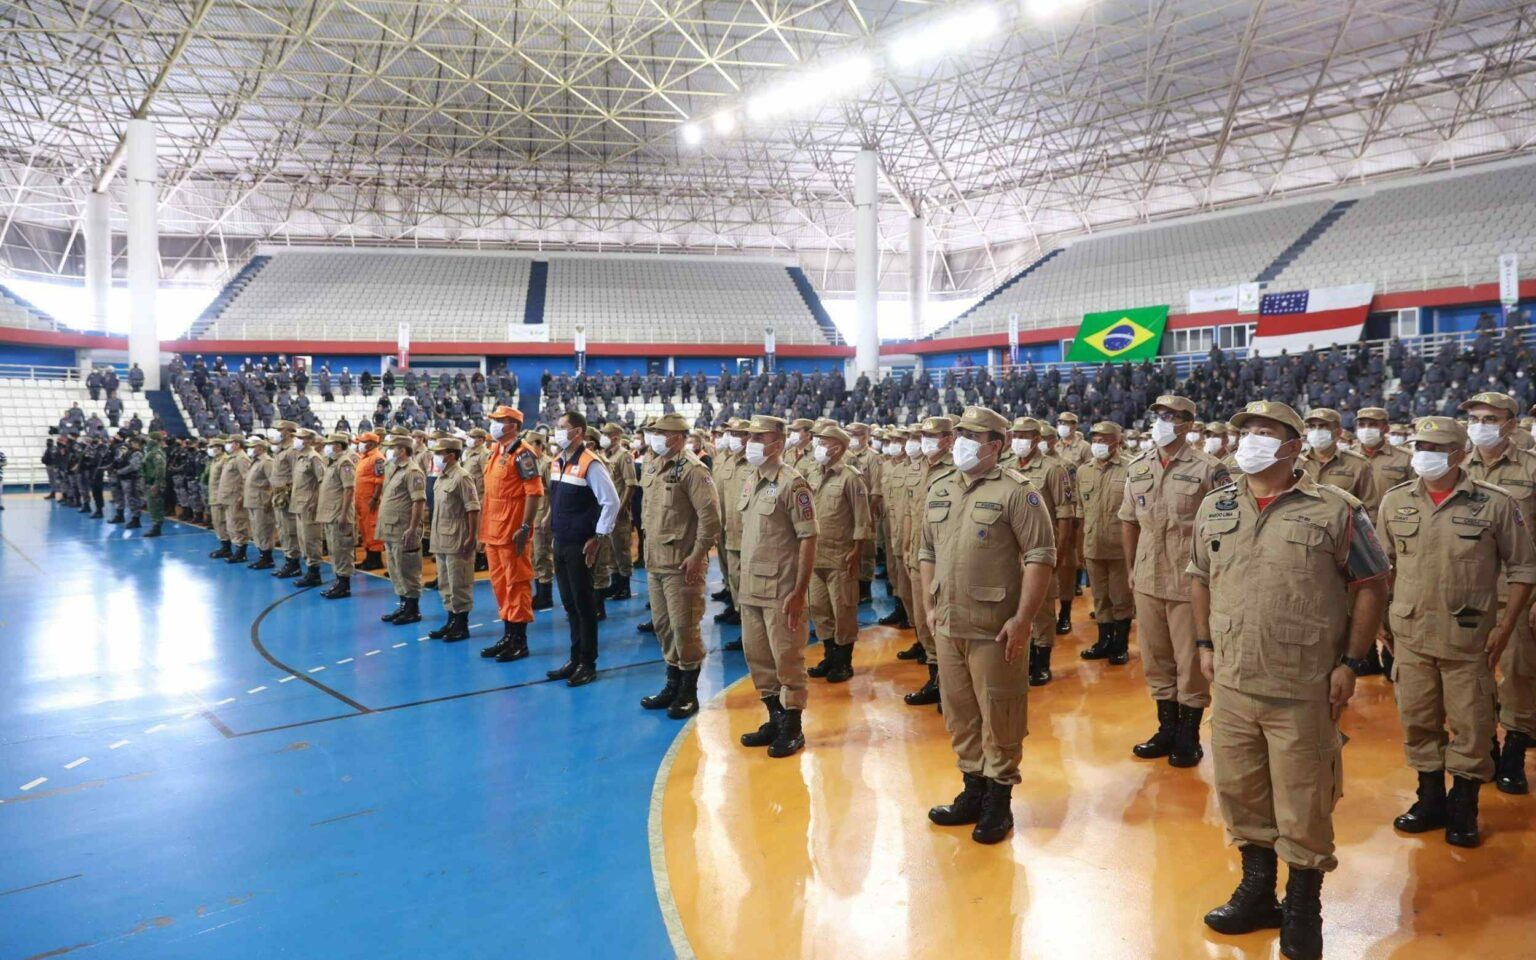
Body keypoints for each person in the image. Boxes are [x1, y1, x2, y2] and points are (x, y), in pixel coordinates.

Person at [1191, 400, 1388, 960]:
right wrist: (1205, 644)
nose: (1250, 439)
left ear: (1293, 445)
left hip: (1304, 683)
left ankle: (1303, 907)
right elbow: (1199, 576)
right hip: (1232, 679)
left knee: (1303, 801)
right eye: (1244, 431)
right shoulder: (1216, 506)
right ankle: (1257, 892)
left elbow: (1372, 581)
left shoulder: (1336, 508)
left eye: (1264, 432)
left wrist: (1352, 661)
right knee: (1241, 791)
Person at [1379, 416, 1536, 848]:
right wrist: (1382, 619)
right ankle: (1430, 799)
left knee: (1471, 722)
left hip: (1467, 635)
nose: (1423, 454)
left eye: (1435, 447)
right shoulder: (1395, 502)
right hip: (1410, 634)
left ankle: (1464, 806)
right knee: (1417, 719)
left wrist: (1505, 626)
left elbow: (1524, 568)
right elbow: (1380, 567)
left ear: (1459, 453)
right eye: (1419, 445)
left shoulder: (1495, 503)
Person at [921, 405, 1056, 845]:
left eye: (970, 436)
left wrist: (1023, 620)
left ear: (994, 446)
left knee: (1000, 714)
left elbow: (1041, 556)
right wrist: (928, 602)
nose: (959, 441)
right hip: (948, 624)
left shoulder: (1019, 492)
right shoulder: (941, 488)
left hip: (994, 628)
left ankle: (999, 802)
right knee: (960, 713)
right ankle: (972, 791)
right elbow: (926, 550)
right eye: (957, 433)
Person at [1119, 394, 1228, 768]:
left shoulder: (1210, 468)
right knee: (1156, 658)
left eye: (1171, 416)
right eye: (1159, 415)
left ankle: (1189, 734)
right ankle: (1166, 727)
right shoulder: (1139, 467)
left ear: (1188, 424)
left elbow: (1222, 528)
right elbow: (1129, 519)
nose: (1162, 421)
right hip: (1148, 578)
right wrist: (1131, 566)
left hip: (1189, 580)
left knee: (1190, 662)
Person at [1458, 391, 1536, 793]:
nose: (1480, 425)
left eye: (1490, 418)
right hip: (1464, 591)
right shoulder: (1456, 465)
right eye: (1474, 417)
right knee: (1470, 674)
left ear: (1510, 423)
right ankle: (1483, 745)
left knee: (1520, 673)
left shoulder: (1531, 468)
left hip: (1517, 590)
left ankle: (1515, 749)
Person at [735, 415, 818, 758]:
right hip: (751, 587)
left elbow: (809, 537)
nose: (752, 442)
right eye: (750, 436)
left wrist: (799, 592)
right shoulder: (751, 479)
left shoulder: (793, 484)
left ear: (779, 443)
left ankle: (793, 727)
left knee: (787, 660)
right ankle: (775, 716)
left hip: (782, 591)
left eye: (760, 437)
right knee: (758, 657)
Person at [637, 412, 721, 718]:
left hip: (682, 564)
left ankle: (689, 691)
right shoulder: (655, 464)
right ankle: (672, 684)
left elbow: (710, 520)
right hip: (656, 561)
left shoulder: (694, 471)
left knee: (684, 627)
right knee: (663, 626)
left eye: (660, 433)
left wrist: (698, 556)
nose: (653, 437)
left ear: (676, 437)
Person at [544, 411, 621, 687]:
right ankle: (575, 657)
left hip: (580, 543)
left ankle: (588, 662)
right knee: (569, 603)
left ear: (577, 432)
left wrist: (598, 537)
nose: (557, 431)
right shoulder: (557, 461)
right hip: (561, 540)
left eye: (562, 427)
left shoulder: (591, 463)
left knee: (584, 603)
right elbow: (558, 498)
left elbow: (611, 502)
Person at [1001, 417, 1073, 686]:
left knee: (1042, 609)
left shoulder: (1054, 469)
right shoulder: (1005, 467)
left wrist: (1060, 554)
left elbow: (1065, 516)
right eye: (1015, 433)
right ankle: (1020, 658)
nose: (1018, 439)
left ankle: (1041, 662)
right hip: (1010, 550)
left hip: (1039, 548)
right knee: (1013, 604)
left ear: (1036, 437)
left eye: (1025, 434)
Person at [804, 423, 874, 684]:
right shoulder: (812, 473)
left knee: (842, 609)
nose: (818, 446)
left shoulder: (850, 477)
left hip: (841, 556)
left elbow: (862, 518)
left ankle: (843, 661)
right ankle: (829, 655)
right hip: (815, 556)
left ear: (836, 447)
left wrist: (857, 551)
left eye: (822, 441)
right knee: (819, 608)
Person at [477, 406, 544, 663]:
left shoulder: (523, 454)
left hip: (512, 531)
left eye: (499, 421)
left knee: (517, 584)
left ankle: (519, 640)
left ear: (512, 425)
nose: (493, 425)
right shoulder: (496, 451)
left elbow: (534, 492)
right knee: (500, 585)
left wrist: (525, 527)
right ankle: (508, 634)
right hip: (493, 530)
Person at [902, 416, 955, 707]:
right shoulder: (916, 468)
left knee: (944, 622)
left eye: (932, 436)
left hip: (943, 558)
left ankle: (952, 685)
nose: (925, 441)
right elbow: (911, 511)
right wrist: (906, 546)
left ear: (948, 440)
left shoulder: (957, 469)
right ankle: (935, 678)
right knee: (923, 623)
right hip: (918, 557)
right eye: (923, 435)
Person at [1076, 421, 1133, 664]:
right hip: (1093, 546)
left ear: (1117, 442)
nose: (1098, 444)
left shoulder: (1131, 468)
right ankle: (1104, 641)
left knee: (1121, 598)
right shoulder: (1083, 471)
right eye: (1095, 440)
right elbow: (1080, 511)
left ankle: (1120, 645)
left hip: (1120, 548)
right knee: (1099, 597)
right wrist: (1079, 547)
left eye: (1104, 440)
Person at [427, 437, 481, 641]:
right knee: (445, 583)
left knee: (460, 582)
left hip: (458, 538)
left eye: (439, 453)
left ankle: (461, 625)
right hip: (441, 537)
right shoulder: (442, 477)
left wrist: (472, 536)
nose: (436, 457)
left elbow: (473, 508)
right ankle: (451, 620)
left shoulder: (462, 477)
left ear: (450, 455)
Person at [377, 436, 428, 626]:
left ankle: (413, 609)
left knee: (407, 568)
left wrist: (413, 528)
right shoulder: (392, 467)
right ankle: (403, 604)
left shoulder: (413, 471)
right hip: (390, 527)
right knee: (395, 568)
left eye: (394, 448)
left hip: (403, 528)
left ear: (403, 450)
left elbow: (418, 501)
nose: (391, 451)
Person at [710, 418, 751, 630]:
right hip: (725, 524)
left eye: (737, 434)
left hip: (744, 529)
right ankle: (736, 608)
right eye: (731, 434)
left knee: (743, 577)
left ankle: (745, 619)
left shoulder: (753, 463)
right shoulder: (726, 460)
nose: (731, 438)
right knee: (731, 573)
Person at [1299, 408, 1379, 514]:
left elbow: (1370, 507)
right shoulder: (1296, 462)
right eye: (1312, 427)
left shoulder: (1358, 464)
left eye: (1323, 426)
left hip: (1341, 528)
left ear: (1338, 432)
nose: (1316, 431)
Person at [316, 433, 358, 599]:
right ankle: (338, 581)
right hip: (330, 513)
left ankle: (344, 585)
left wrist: (343, 514)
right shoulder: (332, 462)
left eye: (330, 443)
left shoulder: (345, 462)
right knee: (334, 549)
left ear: (339, 445)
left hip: (339, 513)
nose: (327, 446)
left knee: (342, 549)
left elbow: (349, 490)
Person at [600, 423, 637, 601]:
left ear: (615, 437)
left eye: (606, 434)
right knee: (610, 549)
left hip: (619, 511)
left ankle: (624, 586)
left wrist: (622, 508)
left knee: (621, 549)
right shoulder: (605, 455)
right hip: (607, 511)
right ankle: (615, 584)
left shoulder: (624, 456)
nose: (603, 437)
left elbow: (631, 484)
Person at [289, 428, 328, 587]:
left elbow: (323, 482)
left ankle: (314, 573)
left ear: (308, 441)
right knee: (303, 539)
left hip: (309, 505)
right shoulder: (301, 457)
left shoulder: (314, 458)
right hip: (299, 504)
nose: (296, 440)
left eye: (299, 438)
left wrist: (316, 503)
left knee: (311, 539)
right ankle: (309, 570)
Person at [269, 420, 303, 579]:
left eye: (280, 429)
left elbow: (298, 475)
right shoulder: (280, 449)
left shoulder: (293, 450)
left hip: (287, 495)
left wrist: (287, 489)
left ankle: (294, 563)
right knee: (282, 528)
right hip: (279, 496)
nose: (276, 432)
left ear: (289, 432)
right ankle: (288, 560)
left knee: (290, 530)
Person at [243, 436, 277, 568]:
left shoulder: (267, 462)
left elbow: (273, 483)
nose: (250, 449)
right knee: (256, 529)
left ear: (261, 448)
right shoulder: (255, 461)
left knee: (264, 530)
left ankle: (267, 558)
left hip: (262, 501)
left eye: (253, 447)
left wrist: (269, 501)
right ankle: (262, 555)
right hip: (252, 501)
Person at [218, 434, 252, 561]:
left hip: (235, 498)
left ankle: (241, 552)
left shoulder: (242, 458)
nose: (227, 445)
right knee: (232, 525)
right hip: (228, 497)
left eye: (230, 442)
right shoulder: (232, 458)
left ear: (237, 444)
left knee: (238, 525)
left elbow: (246, 479)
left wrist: (242, 496)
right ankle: (236, 549)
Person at [354, 433, 385, 570]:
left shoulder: (377, 458)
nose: (359, 444)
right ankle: (368, 558)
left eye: (362, 442)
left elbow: (380, 480)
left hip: (370, 500)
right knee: (364, 528)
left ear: (371, 444)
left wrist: (375, 498)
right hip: (361, 500)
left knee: (372, 528)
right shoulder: (364, 457)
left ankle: (375, 560)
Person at [141, 432, 168, 538]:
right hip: (149, 482)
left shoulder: (156, 453)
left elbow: (160, 470)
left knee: (156, 506)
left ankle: (157, 528)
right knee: (152, 505)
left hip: (155, 483)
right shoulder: (150, 452)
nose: (148, 441)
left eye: (150, 439)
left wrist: (156, 484)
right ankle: (155, 526)